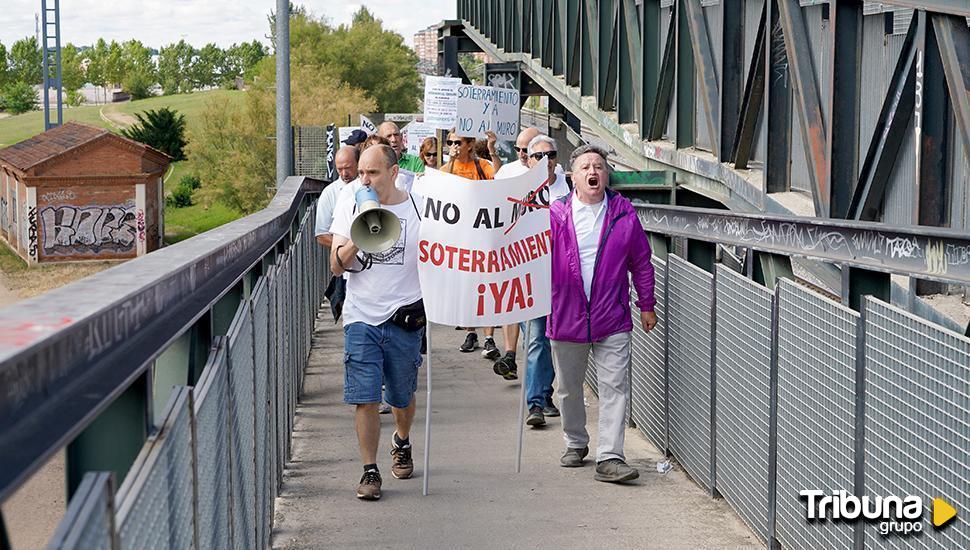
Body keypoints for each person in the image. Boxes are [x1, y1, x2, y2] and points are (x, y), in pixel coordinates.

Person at [547, 144, 657, 483]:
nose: (592, 171)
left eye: (598, 166)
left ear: (606, 174)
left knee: (615, 386)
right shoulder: (554, 215)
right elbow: (530, 259)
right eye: (585, 167)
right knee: (568, 388)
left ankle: (610, 456)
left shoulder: (625, 213)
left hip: (612, 315)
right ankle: (575, 441)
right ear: (573, 177)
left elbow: (641, 261)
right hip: (566, 315)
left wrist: (647, 304)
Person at [330, 145, 425, 500]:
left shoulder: (418, 206)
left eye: (372, 173)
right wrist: (360, 236)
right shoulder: (350, 201)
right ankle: (369, 471)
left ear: (394, 171)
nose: (364, 180)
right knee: (365, 398)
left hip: (404, 315)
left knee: (402, 396)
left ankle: (401, 439)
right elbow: (335, 265)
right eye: (361, 173)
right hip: (362, 316)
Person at [441, 130, 501, 359]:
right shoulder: (447, 169)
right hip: (459, 238)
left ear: (468, 144)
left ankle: (489, 337)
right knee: (466, 289)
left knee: (485, 286)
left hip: (483, 235)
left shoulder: (482, 166)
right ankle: (470, 332)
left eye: (457, 142)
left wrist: (493, 150)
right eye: (450, 142)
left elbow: (499, 176)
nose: (453, 146)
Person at [316, 145, 359, 322]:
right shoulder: (330, 193)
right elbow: (321, 235)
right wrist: (347, 246)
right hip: (347, 265)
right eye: (339, 169)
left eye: (347, 168)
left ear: (358, 163)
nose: (343, 173)